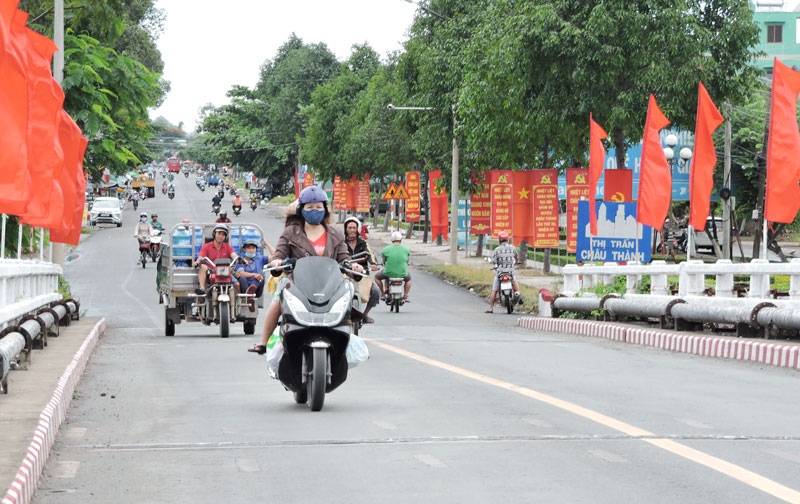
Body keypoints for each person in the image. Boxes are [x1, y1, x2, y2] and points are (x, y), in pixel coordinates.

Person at [247, 186, 363, 354]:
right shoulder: (290, 233)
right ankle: (264, 342)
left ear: (325, 209)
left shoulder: (335, 234)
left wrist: (353, 266)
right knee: (277, 302)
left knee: (346, 303)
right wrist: (277, 262)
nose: (314, 210)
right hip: (297, 284)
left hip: (329, 285)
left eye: (318, 207)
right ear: (302, 210)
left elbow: (344, 258)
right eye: (309, 207)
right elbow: (279, 253)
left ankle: (349, 345)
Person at [343, 216, 380, 324]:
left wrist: (373, 264)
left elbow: (370, 254)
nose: (352, 230)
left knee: (376, 292)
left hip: (362, 275)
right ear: (346, 229)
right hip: (345, 275)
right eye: (350, 228)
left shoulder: (363, 242)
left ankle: (365, 314)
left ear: (358, 229)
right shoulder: (341, 242)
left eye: (354, 228)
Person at [193, 224, 239, 295]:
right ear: (214, 234)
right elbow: (201, 257)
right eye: (219, 233)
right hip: (211, 272)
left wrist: (238, 259)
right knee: (202, 266)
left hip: (225, 272)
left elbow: (234, 255)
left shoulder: (227, 247)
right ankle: (202, 288)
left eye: (223, 235)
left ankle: (238, 302)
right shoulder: (206, 246)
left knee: (237, 285)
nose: (221, 236)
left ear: (225, 237)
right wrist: (197, 262)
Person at [486, 231, 521, 313]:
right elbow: (517, 258)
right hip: (510, 272)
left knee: (494, 289)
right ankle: (518, 295)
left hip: (500, 273)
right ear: (507, 239)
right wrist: (516, 262)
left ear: (499, 240)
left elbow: (494, 262)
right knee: (514, 281)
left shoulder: (496, 250)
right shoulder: (512, 248)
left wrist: (496, 266)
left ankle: (491, 308)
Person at [376, 230, 411, 301]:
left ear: (391, 240)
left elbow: (384, 261)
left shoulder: (386, 249)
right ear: (401, 239)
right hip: (402, 273)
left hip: (388, 273)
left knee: (376, 277)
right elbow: (407, 261)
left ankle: (382, 294)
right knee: (408, 279)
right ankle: (405, 295)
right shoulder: (406, 249)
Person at [234, 239, 269, 310]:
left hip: (257, 290)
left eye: (253, 248)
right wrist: (253, 275)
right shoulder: (241, 261)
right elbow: (241, 273)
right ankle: (249, 295)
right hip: (245, 289)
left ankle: (252, 290)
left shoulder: (260, 259)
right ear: (244, 249)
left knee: (261, 273)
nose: (251, 250)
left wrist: (267, 244)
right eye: (249, 248)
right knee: (242, 278)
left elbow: (275, 255)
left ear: (256, 249)